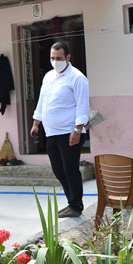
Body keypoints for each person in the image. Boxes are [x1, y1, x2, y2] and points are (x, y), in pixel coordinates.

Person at [30, 41, 90, 218]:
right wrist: (35, 123)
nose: (55, 61)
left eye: (59, 58)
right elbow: (43, 100)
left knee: (70, 169)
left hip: (69, 132)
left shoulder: (77, 78)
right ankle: (71, 201)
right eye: (52, 58)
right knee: (58, 170)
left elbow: (82, 106)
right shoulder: (48, 76)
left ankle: (76, 205)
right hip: (52, 133)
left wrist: (77, 130)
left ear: (68, 57)